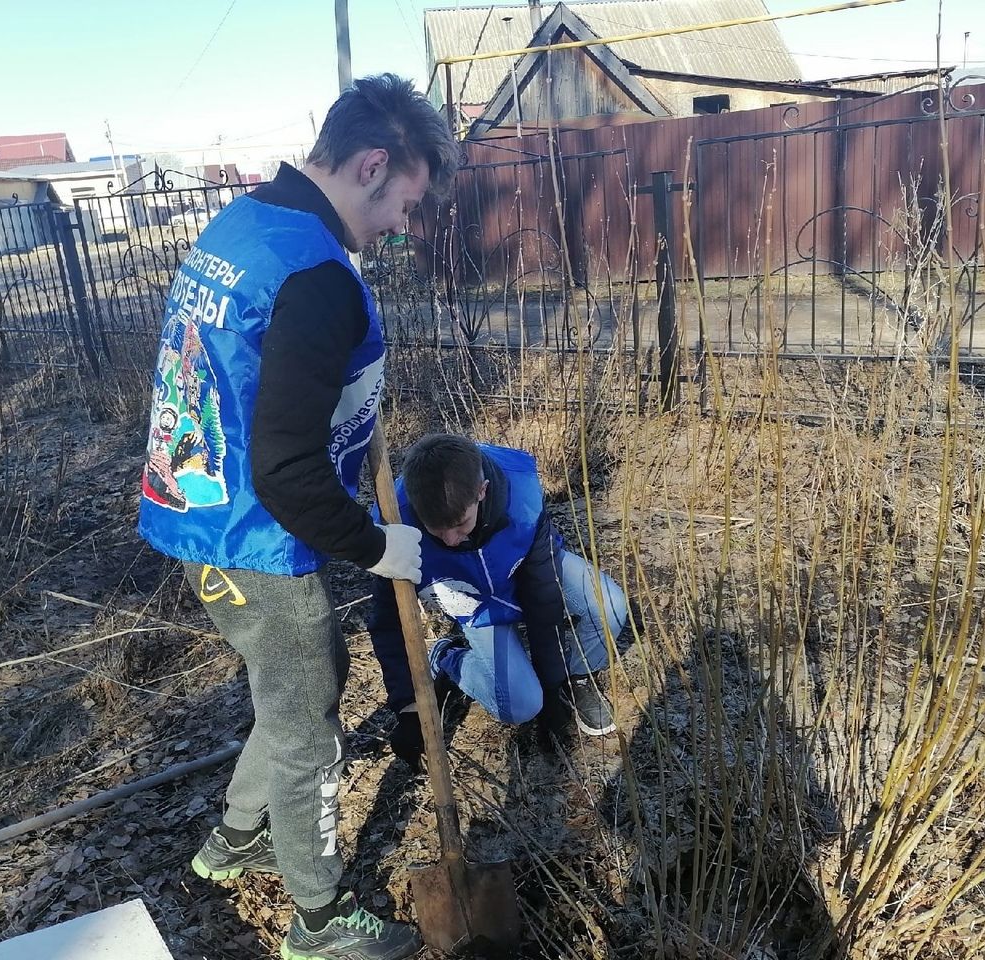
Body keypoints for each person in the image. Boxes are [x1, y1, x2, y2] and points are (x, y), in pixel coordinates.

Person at [137, 74, 457, 960]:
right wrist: (376, 545)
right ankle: (317, 920)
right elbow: (284, 469)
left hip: (192, 511)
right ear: (372, 164)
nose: (402, 223)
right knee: (308, 722)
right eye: (405, 200)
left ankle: (238, 837)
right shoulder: (317, 276)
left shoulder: (245, 225)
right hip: (254, 536)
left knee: (285, 693)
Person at [367, 434, 629, 767]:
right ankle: (448, 658)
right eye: (436, 529)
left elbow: (542, 597)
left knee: (610, 606)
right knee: (521, 705)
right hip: (474, 602)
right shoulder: (396, 522)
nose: (449, 540)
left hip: (525, 569)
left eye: (460, 524)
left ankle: (574, 677)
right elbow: (387, 619)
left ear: (482, 491)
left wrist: (552, 690)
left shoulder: (522, 501)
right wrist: (406, 706)